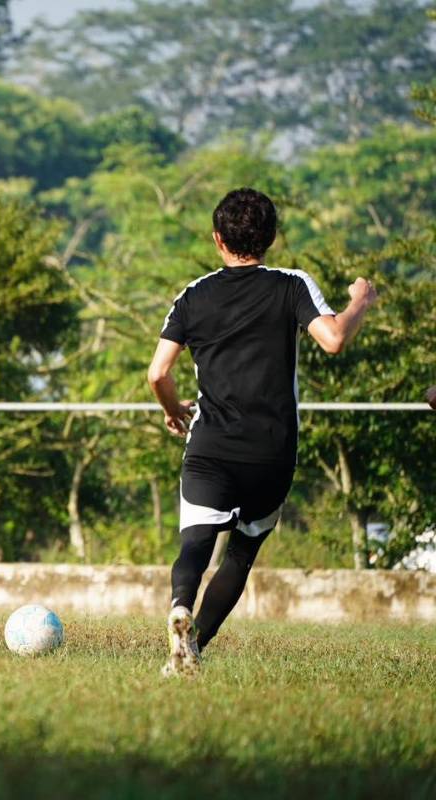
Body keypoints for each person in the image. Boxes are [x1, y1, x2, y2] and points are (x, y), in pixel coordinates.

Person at [147, 188, 378, 677]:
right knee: (243, 551)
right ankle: (195, 650)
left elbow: (157, 373)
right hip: (271, 453)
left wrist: (172, 409)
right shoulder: (291, 284)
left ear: (217, 239)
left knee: (194, 544)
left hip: (209, 447)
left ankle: (180, 604)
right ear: (271, 238)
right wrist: (359, 301)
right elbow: (333, 339)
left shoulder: (193, 294)